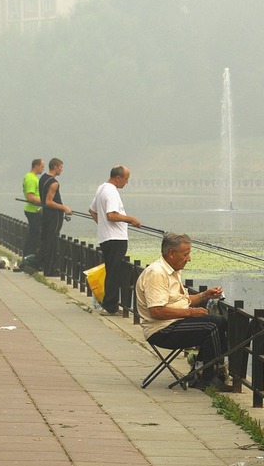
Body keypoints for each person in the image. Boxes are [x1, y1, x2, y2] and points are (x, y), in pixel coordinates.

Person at [135, 232, 232, 392]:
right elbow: (157, 312)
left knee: (218, 322)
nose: (189, 258)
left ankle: (201, 372)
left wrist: (204, 295)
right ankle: (208, 378)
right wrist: (191, 313)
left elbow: (182, 301)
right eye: (185, 254)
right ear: (171, 253)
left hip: (174, 323)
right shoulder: (157, 273)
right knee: (214, 324)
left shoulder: (173, 270)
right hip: (161, 330)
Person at [89, 165, 140, 315]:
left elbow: (92, 210)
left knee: (112, 270)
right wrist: (131, 219)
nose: (127, 182)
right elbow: (111, 215)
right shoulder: (111, 191)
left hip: (106, 237)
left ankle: (110, 304)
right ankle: (110, 307)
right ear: (118, 178)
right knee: (114, 273)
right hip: (116, 239)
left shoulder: (101, 188)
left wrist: (102, 226)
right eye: (126, 179)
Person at [38, 157, 72, 277]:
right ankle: (50, 270)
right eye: (61, 167)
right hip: (54, 216)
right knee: (51, 241)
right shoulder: (54, 183)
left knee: (46, 239)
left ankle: (43, 266)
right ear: (56, 167)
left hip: (46, 214)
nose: (62, 170)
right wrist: (64, 208)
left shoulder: (42, 179)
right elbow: (49, 202)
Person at [21, 158, 44, 260]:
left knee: (34, 234)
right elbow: (30, 197)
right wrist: (44, 201)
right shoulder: (31, 178)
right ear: (36, 166)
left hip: (34, 210)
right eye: (42, 167)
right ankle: (28, 256)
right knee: (33, 235)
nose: (42, 169)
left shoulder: (32, 177)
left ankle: (29, 256)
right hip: (33, 211)